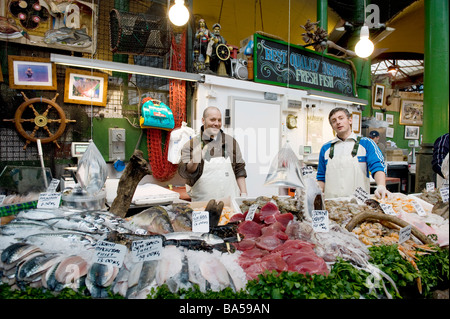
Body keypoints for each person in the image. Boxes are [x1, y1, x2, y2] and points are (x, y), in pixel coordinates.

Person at [317, 107, 390, 199]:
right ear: (332, 126)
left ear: (350, 120)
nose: (338, 122)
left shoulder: (366, 143)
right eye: (334, 121)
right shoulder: (325, 148)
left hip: (359, 205)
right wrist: (316, 193)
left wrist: (381, 186)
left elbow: (377, 166)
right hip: (332, 204)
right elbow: (321, 177)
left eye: (341, 118)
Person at [178, 106, 248, 202]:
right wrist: (195, 161)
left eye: (219, 120)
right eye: (212, 120)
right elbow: (186, 172)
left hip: (231, 201)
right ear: (203, 120)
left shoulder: (231, 142)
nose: (217, 123)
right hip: (203, 203)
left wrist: (243, 194)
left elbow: (239, 169)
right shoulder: (191, 145)